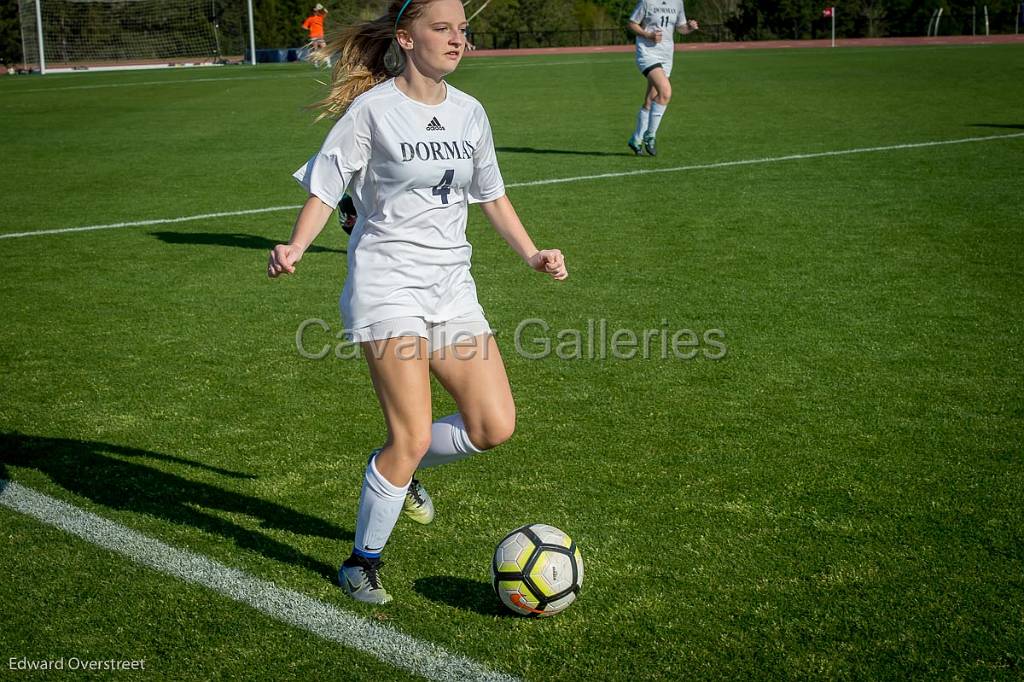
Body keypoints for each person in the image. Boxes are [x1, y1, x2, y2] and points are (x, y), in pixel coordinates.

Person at [267, 0, 568, 605]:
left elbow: (492, 196)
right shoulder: (372, 111)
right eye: (442, 29)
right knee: (408, 436)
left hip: (453, 289)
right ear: (405, 39)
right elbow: (327, 185)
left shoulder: (470, 112)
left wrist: (532, 253)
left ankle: (395, 473)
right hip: (388, 286)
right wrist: (296, 245)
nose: (457, 39)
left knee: (493, 425)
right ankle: (361, 564)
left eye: (462, 29)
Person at [626, 1, 699, 156]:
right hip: (647, 53)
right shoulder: (647, 1)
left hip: (666, 56)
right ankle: (650, 135)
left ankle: (636, 139)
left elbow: (680, 27)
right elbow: (632, 23)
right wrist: (648, 35)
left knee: (650, 100)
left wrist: (689, 28)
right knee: (665, 92)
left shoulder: (678, 2)